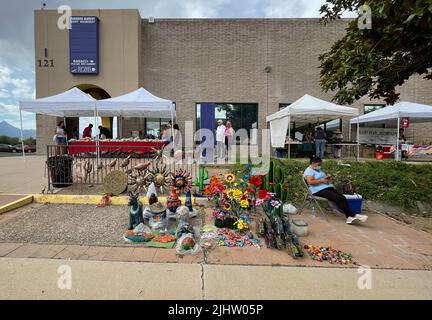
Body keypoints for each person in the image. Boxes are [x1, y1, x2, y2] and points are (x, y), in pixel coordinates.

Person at [303, 156, 368, 225]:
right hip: (317, 190)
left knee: (342, 197)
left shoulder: (318, 170)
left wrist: (326, 179)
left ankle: (349, 216)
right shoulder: (309, 171)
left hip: (327, 188)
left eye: (320, 164)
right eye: (318, 164)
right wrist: (322, 181)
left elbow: (321, 179)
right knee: (337, 198)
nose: (319, 166)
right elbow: (310, 182)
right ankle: (352, 215)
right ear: (313, 163)